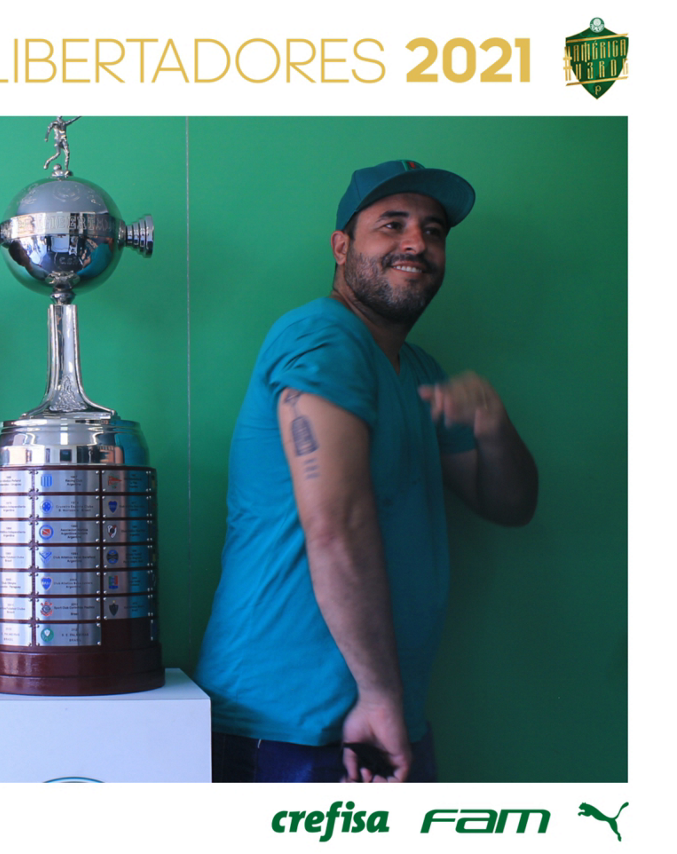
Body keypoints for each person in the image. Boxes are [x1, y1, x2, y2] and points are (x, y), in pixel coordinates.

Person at [195, 160, 537, 783]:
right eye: (392, 224)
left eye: (433, 231)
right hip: (292, 719)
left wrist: (494, 426)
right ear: (341, 246)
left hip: (381, 719)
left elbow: (509, 505)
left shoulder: (420, 371)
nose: (417, 243)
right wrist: (381, 699)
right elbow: (335, 524)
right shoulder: (324, 337)